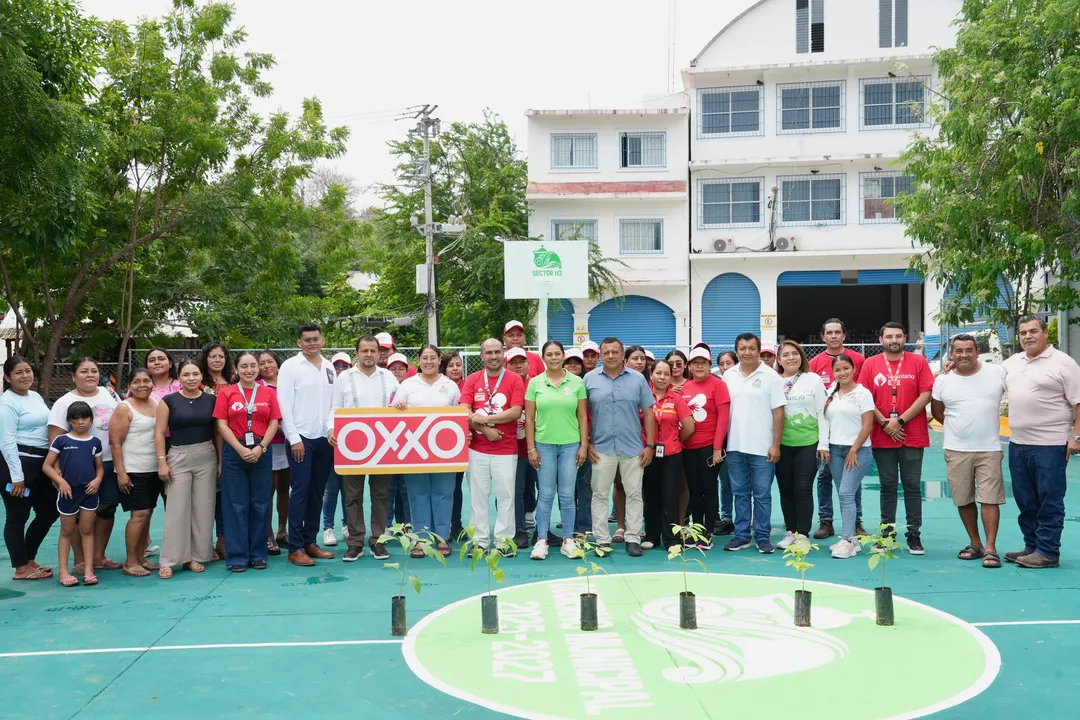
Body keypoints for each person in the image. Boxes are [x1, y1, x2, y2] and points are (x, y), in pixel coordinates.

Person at [1002, 315, 1080, 569]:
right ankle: (1032, 545)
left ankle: (1047, 551)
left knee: (1049, 498)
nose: (1028, 336)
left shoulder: (1063, 363)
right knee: (1025, 498)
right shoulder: (1013, 363)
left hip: (1051, 444)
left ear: (1045, 333)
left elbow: (1079, 401)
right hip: (1018, 443)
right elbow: (985, 377)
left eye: (1033, 331)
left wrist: (1076, 437)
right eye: (1023, 332)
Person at [931, 334, 1007, 569]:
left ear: (977, 352)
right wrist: (959, 428)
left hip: (989, 448)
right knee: (963, 498)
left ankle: (991, 548)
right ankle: (976, 543)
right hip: (956, 449)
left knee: (989, 499)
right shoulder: (943, 380)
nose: (964, 355)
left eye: (969, 350)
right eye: (959, 351)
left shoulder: (997, 373)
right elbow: (937, 411)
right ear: (951, 354)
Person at [859, 322, 934, 555]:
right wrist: (885, 423)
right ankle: (887, 533)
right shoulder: (870, 364)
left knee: (912, 485)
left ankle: (914, 534)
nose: (894, 340)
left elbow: (926, 394)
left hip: (912, 434)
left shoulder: (918, 362)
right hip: (882, 435)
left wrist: (899, 421)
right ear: (881, 340)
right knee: (888, 485)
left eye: (899, 336)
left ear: (904, 338)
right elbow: (864, 397)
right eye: (889, 336)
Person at [328, 336, 399, 562]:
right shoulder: (344, 378)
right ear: (356, 353)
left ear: (379, 354)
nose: (369, 355)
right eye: (364, 351)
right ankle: (355, 543)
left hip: (383, 445)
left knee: (381, 494)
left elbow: (401, 403)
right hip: (351, 445)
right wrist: (331, 428)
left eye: (373, 351)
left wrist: (401, 405)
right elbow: (334, 407)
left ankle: (378, 541)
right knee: (352, 495)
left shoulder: (388, 377)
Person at [48, 358, 121, 573]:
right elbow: (55, 440)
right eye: (83, 371)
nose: (90, 375)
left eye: (94, 371)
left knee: (107, 509)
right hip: (76, 469)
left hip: (108, 463)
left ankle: (98, 557)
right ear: (73, 376)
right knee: (78, 514)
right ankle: (80, 560)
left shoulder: (109, 394)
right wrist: (57, 473)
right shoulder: (64, 402)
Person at [585, 337, 656, 556]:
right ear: (600, 355)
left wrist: (650, 445)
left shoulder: (638, 379)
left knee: (634, 494)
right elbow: (581, 414)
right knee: (599, 494)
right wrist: (586, 442)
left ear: (623, 354)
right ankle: (602, 539)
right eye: (606, 352)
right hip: (600, 447)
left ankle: (633, 537)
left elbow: (649, 413)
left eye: (615, 352)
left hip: (633, 447)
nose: (611, 356)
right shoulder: (589, 379)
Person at [278, 322, 338, 566]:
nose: (312, 343)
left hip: (324, 438)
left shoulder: (330, 367)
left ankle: (310, 541)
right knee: (300, 491)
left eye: (316, 339)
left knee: (317, 491)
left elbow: (334, 403)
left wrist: (331, 427)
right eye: (307, 339)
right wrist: (294, 439)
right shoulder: (290, 366)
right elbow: (284, 404)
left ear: (322, 340)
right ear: (299, 342)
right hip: (300, 438)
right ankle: (295, 547)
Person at [215, 352, 281, 572]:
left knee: (260, 504)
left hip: (261, 451)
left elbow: (274, 422)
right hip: (235, 451)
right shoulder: (227, 393)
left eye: (253, 366)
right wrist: (241, 449)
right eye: (244, 366)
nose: (249, 370)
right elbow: (222, 425)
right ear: (236, 369)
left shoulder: (267, 393)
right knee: (235, 505)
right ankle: (237, 556)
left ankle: (258, 554)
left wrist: (261, 447)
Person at [393, 344, 461, 556]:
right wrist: (398, 408)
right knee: (417, 494)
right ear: (419, 360)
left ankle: (442, 537)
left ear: (439, 360)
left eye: (433, 357)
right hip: (414, 450)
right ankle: (420, 539)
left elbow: (459, 416)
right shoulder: (407, 385)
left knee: (444, 493)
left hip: (445, 451)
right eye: (425, 357)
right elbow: (393, 415)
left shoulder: (450, 385)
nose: (429, 361)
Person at [722, 333, 785, 554]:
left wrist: (775, 444)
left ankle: (762, 536)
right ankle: (742, 536)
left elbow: (779, 413)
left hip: (762, 448)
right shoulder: (728, 375)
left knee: (762, 494)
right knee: (740, 494)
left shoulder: (771, 376)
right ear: (736, 351)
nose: (747, 352)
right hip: (734, 447)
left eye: (751, 348)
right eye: (742, 348)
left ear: (758, 351)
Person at [156, 360, 219, 578]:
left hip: (206, 456)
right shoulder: (168, 401)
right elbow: (159, 433)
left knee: (203, 509)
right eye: (186, 374)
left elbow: (217, 432)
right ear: (179, 378)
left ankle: (196, 557)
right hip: (178, 457)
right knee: (177, 509)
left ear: (201, 376)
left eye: (195, 374)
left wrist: (220, 461)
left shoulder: (211, 400)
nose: (191, 378)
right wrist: (162, 462)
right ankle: (169, 560)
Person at [525, 341, 588, 560]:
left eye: (557, 354)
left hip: (571, 445)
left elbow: (582, 416)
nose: (553, 358)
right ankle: (541, 540)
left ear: (563, 356)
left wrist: (583, 445)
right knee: (545, 494)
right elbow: (529, 419)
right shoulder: (535, 383)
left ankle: (568, 540)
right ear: (543, 358)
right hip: (543, 445)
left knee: (567, 495)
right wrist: (531, 448)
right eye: (549, 354)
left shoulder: (577, 382)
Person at [461, 339, 526, 551]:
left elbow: (515, 411)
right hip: (477, 449)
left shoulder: (514, 379)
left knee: (506, 497)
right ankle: (479, 541)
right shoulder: (473, 379)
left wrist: (484, 419)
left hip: (505, 449)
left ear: (503, 353)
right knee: (478, 498)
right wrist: (484, 428)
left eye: (497, 352)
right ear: (482, 356)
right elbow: (464, 409)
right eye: (488, 353)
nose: (493, 356)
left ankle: (503, 542)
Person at [808, 319, 867, 540]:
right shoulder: (814, 363)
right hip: (826, 433)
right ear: (822, 336)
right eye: (829, 333)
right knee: (824, 476)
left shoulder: (858, 359)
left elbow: (864, 394)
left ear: (844, 335)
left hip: (851, 432)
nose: (833, 336)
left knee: (853, 479)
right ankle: (826, 520)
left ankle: (856, 522)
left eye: (837, 332)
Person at [1, 357, 58, 581]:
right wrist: (17, 476)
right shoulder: (7, 402)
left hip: (41, 463)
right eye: (18, 372)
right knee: (18, 516)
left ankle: (28, 558)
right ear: (7, 378)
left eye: (27, 371)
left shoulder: (34, 396)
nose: (25, 376)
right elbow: (6, 442)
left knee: (50, 510)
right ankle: (20, 567)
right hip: (18, 464)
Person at [43, 401, 104, 587]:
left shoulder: (95, 442)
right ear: (69, 421)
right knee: (67, 531)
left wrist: (97, 480)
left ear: (91, 420)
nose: (80, 422)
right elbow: (47, 466)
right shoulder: (61, 440)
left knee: (87, 530)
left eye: (84, 418)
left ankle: (89, 570)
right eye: (75, 419)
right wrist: (61, 482)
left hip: (89, 493)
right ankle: (64, 572)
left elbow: (99, 468)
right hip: (68, 494)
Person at [775, 340, 829, 548]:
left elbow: (822, 412)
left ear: (801, 356)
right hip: (782, 444)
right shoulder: (774, 381)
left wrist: (823, 443)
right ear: (779, 360)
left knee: (803, 488)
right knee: (785, 489)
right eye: (786, 355)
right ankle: (790, 532)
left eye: (795, 353)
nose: (791, 358)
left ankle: (803, 535)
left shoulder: (812, 379)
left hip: (808, 443)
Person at [821, 354, 875, 559]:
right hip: (835, 450)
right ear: (833, 372)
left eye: (846, 368)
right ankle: (850, 539)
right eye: (837, 370)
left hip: (858, 451)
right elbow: (824, 422)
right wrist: (825, 446)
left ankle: (847, 539)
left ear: (854, 370)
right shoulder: (830, 393)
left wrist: (854, 450)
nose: (842, 373)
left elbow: (868, 425)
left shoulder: (863, 393)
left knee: (845, 493)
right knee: (844, 494)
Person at [109, 368, 162, 576]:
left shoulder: (156, 404)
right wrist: (121, 473)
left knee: (148, 514)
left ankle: (141, 557)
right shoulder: (124, 408)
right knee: (138, 515)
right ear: (130, 385)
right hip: (133, 470)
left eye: (146, 381)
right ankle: (130, 562)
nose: (142, 385)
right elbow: (115, 443)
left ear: (152, 384)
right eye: (137, 382)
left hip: (153, 469)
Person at [641, 360, 695, 550]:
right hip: (647, 454)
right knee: (650, 495)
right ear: (651, 375)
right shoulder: (643, 397)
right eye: (658, 373)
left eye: (666, 374)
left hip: (671, 455)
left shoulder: (676, 399)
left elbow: (689, 427)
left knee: (670, 496)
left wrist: (675, 440)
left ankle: (671, 539)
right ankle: (651, 536)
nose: (662, 377)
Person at [681, 346, 731, 548]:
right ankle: (696, 529)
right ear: (689, 366)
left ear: (710, 366)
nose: (699, 366)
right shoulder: (685, 386)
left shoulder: (718, 385)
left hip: (709, 446)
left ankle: (707, 532)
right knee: (694, 490)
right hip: (688, 447)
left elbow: (723, 419)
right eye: (695, 363)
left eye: (703, 363)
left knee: (708, 488)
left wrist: (718, 447)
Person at [198, 341, 232, 560]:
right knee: (204, 497)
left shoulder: (234, 383)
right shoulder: (198, 383)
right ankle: (204, 543)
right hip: (203, 444)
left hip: (230, 444)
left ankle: (223, 540)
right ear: (205, 359)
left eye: (221, 356)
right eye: (213, 356)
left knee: (224, 496)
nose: (217, 360)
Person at [320, 351, 353, 548]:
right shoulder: (325, 387)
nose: (340, 369)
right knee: (331, 489)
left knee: (349, 489)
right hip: (330, 443)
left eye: (344, 365)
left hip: (351, 444)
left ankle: (347, 524)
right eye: (337, 365)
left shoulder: (352, 386)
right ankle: (328, 527)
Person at [257, 351, 289, 555]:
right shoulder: (258, 387)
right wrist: (274, 428)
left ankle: (282, 531)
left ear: (278, 364)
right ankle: (267, 535)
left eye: (270, 361)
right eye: (262, 363)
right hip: (267, 444)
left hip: (289, 443)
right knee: (268, 490)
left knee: (285, 489)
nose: (267, 366)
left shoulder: (287, 383)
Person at [507, 348, 538, 548]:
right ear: (506, 365)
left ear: (528, 364)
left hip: (538, 447)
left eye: (522, 361)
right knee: (515, 491)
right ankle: (519, 529)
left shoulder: (537, 383)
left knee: (543, 490)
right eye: (513, 362)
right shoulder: (504, 384)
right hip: (513, 449)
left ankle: (542, 530)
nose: (518, 365)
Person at [564, 348, 593, 536]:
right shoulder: (556, 384)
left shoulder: (587, 385)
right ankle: (569, 524)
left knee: (584, 484)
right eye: (569, 362)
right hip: (563, 442)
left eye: (577, 362)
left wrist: (587, 441)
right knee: (566, 487)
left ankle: (583, 527)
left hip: (584, 441)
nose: (573, 365)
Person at [440, 351, 466, 538]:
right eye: (451, 365)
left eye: (458, 365)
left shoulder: (469, 385)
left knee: (456, 486)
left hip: (465, 445)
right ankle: (441, 523)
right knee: (443, 488)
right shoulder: (439, 386)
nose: (455, 368)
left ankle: (456, 523)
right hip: (442, 444)